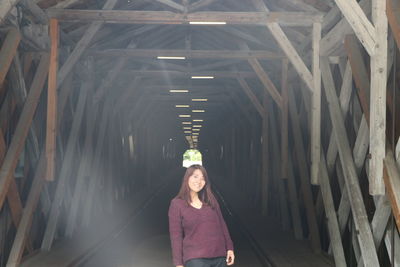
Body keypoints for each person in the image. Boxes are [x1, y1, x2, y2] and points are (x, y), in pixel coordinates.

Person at [168, 164, 235, 267]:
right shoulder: (177, 204)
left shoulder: (211, 200)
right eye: (195, 176)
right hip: (195, 259)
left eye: (203, 178)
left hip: (219, 257)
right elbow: (176, 236)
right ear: (187, 178)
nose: (199, 181)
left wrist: (230, 248)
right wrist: (178, 264)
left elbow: (222, 225)